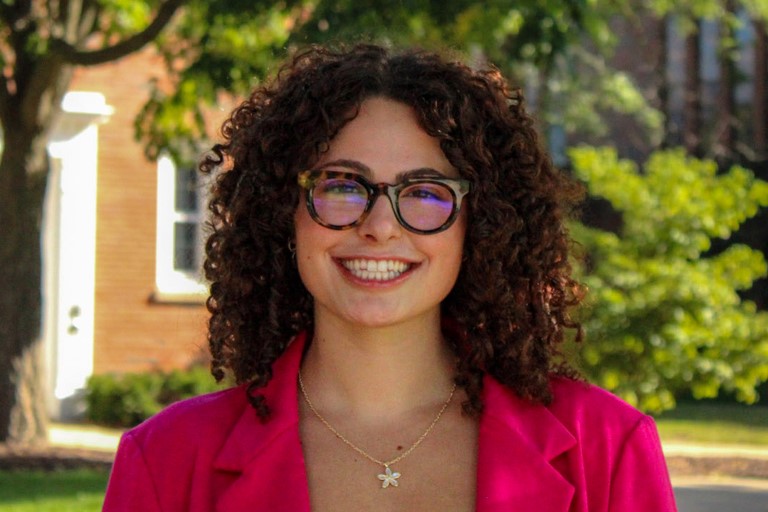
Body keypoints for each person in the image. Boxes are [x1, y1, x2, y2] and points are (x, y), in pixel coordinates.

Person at [102, 43, 677, 511]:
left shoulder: (605, 447)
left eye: (424, 192)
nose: (380, 226)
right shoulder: (166, 461)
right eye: (342, 185)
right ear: (285, 212)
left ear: (482, 224)